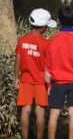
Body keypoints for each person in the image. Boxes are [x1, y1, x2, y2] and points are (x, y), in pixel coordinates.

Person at [45, 6, 73, 139]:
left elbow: (48, 65)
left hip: (57, 82)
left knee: (54, 114)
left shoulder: (52, 40)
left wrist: (48, 84)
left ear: (59, 20)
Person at [14, 8, 57, 139]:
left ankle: (24, 137)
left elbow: (17, 60)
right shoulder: (46, 43)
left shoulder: (22, 40)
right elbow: (49, 64)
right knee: (40, 112)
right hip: (41, 81)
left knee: (25, 110)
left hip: (25, 79)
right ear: (44, 27)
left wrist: (17, 77)